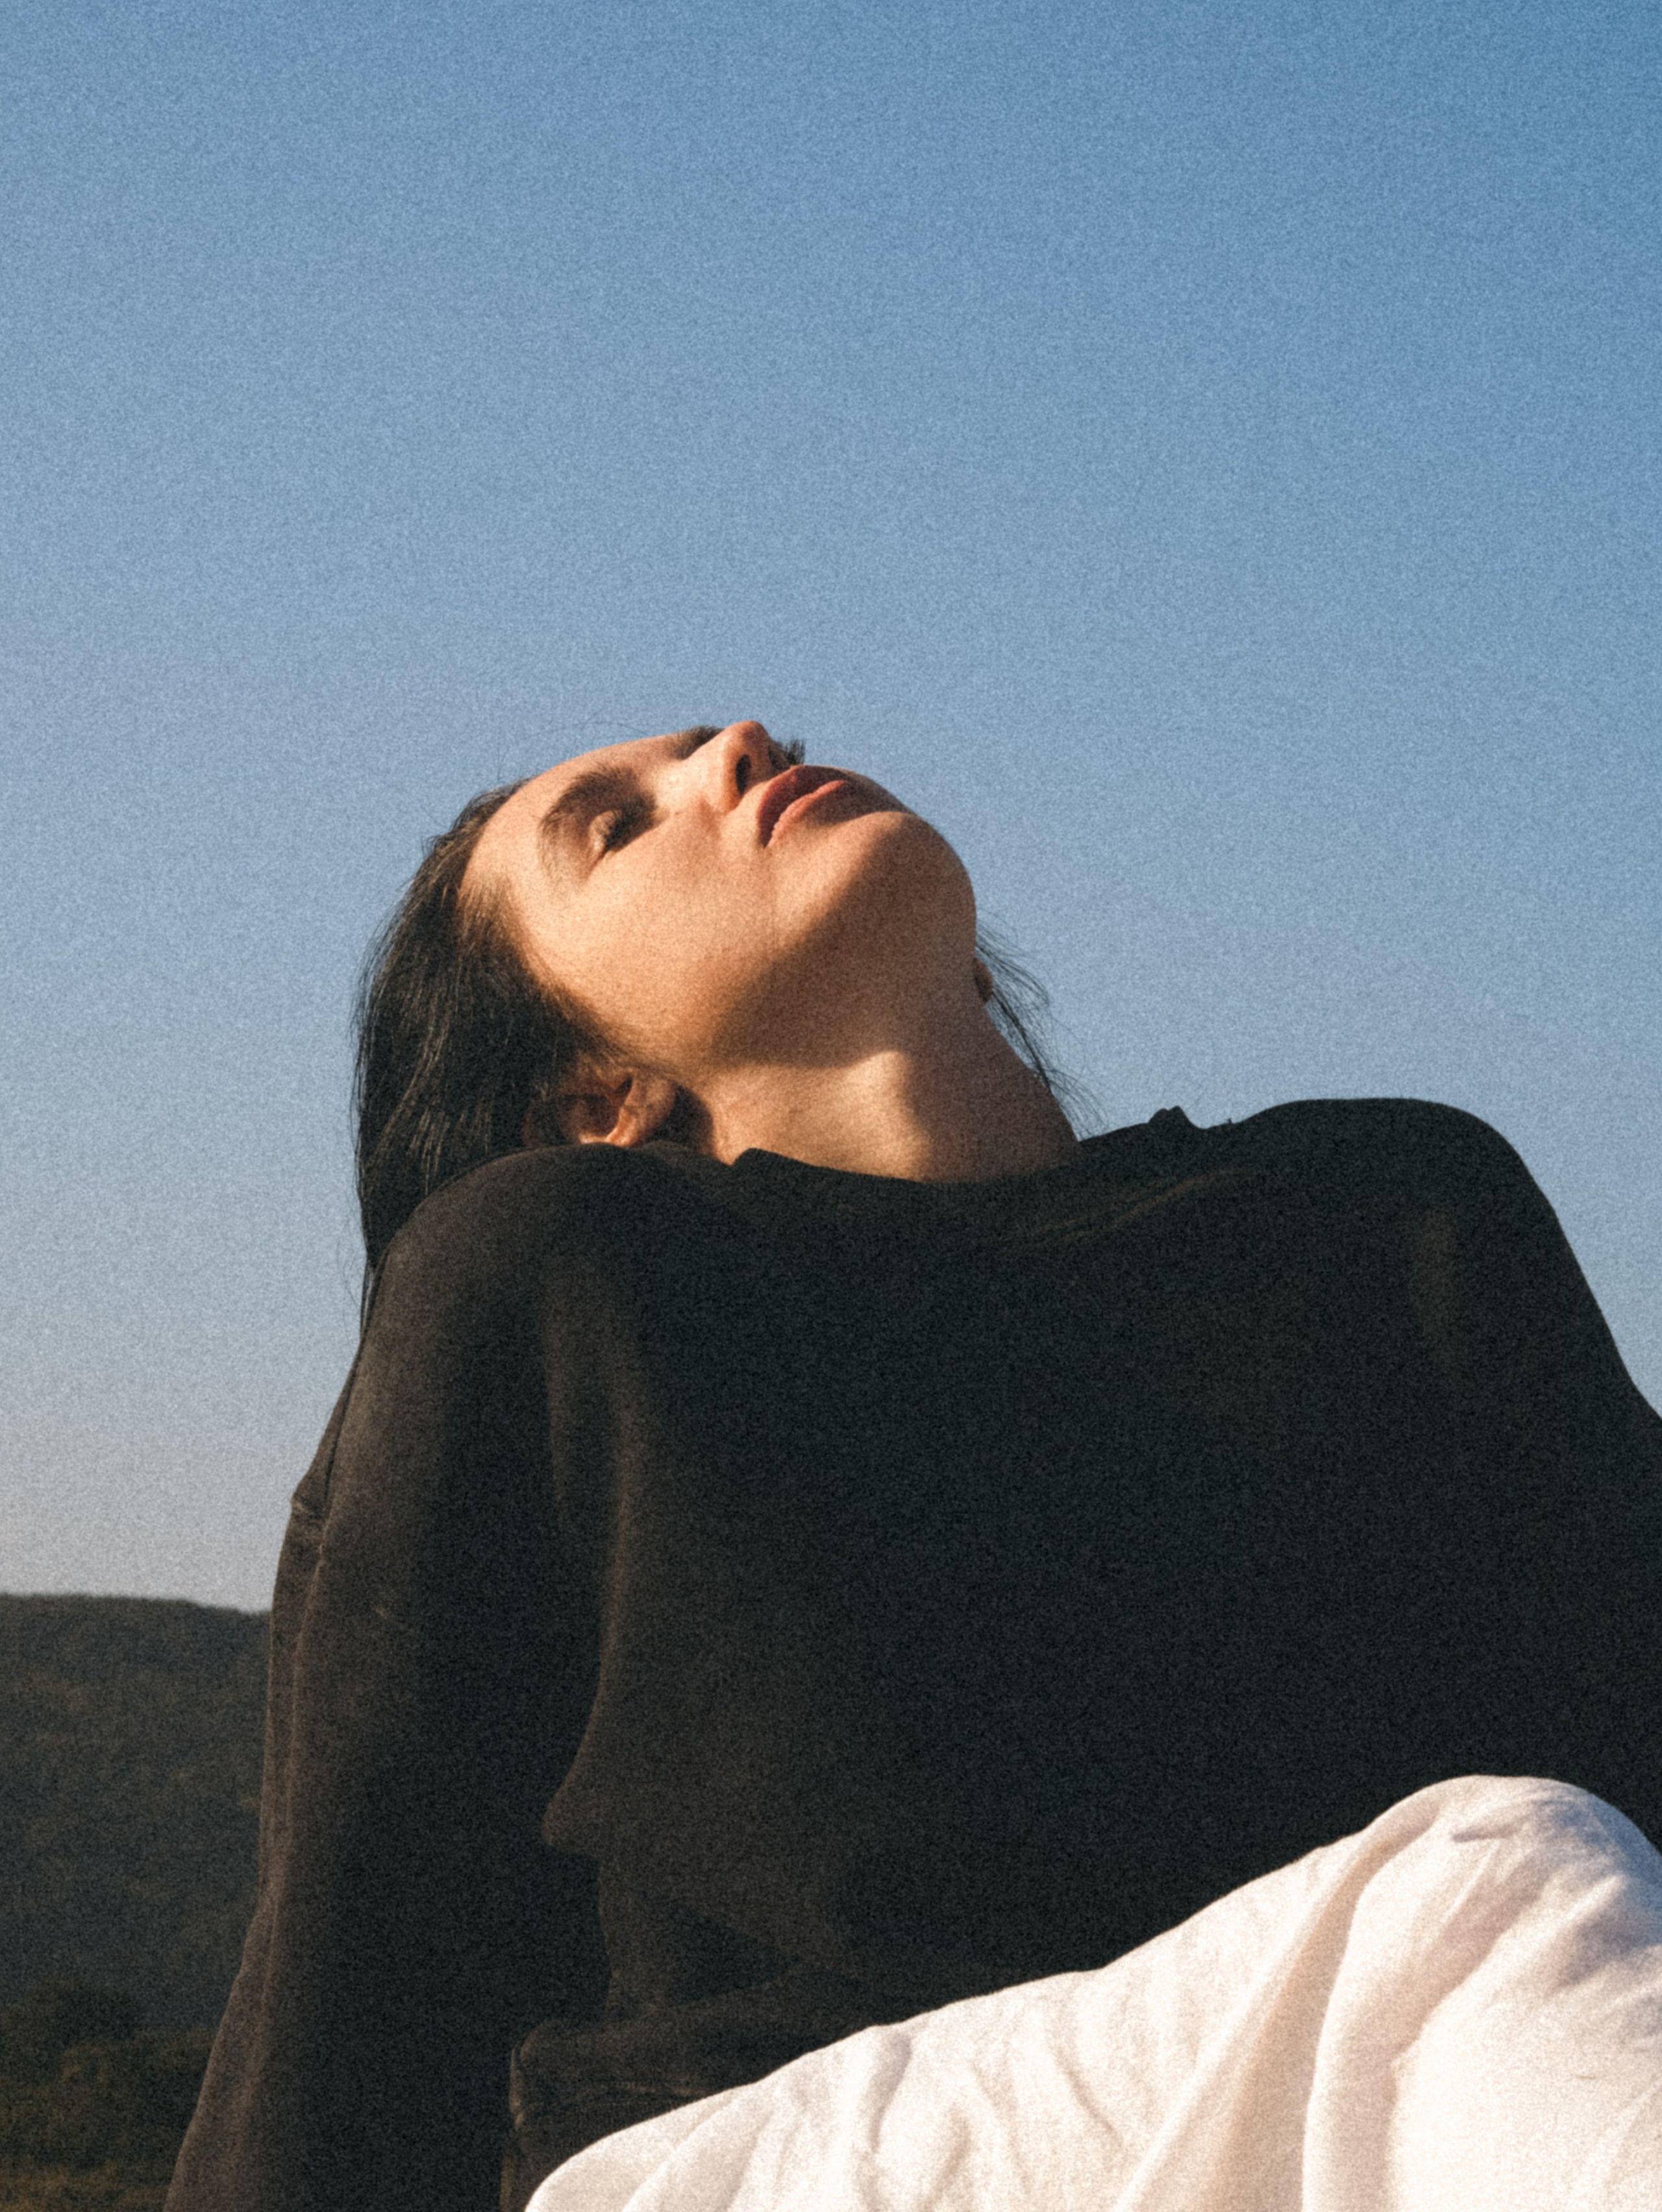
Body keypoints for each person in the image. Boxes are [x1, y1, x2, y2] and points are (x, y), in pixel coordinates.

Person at [165, 721, 1662, 2212]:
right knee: (1503, 1888)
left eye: (735, 741)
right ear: (591, 1095)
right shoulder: (557, 1272)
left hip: (1409, 2127)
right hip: (793, 2156)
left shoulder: (1385, 1207)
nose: (737, 750)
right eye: (616, 826)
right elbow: (363, 1982)